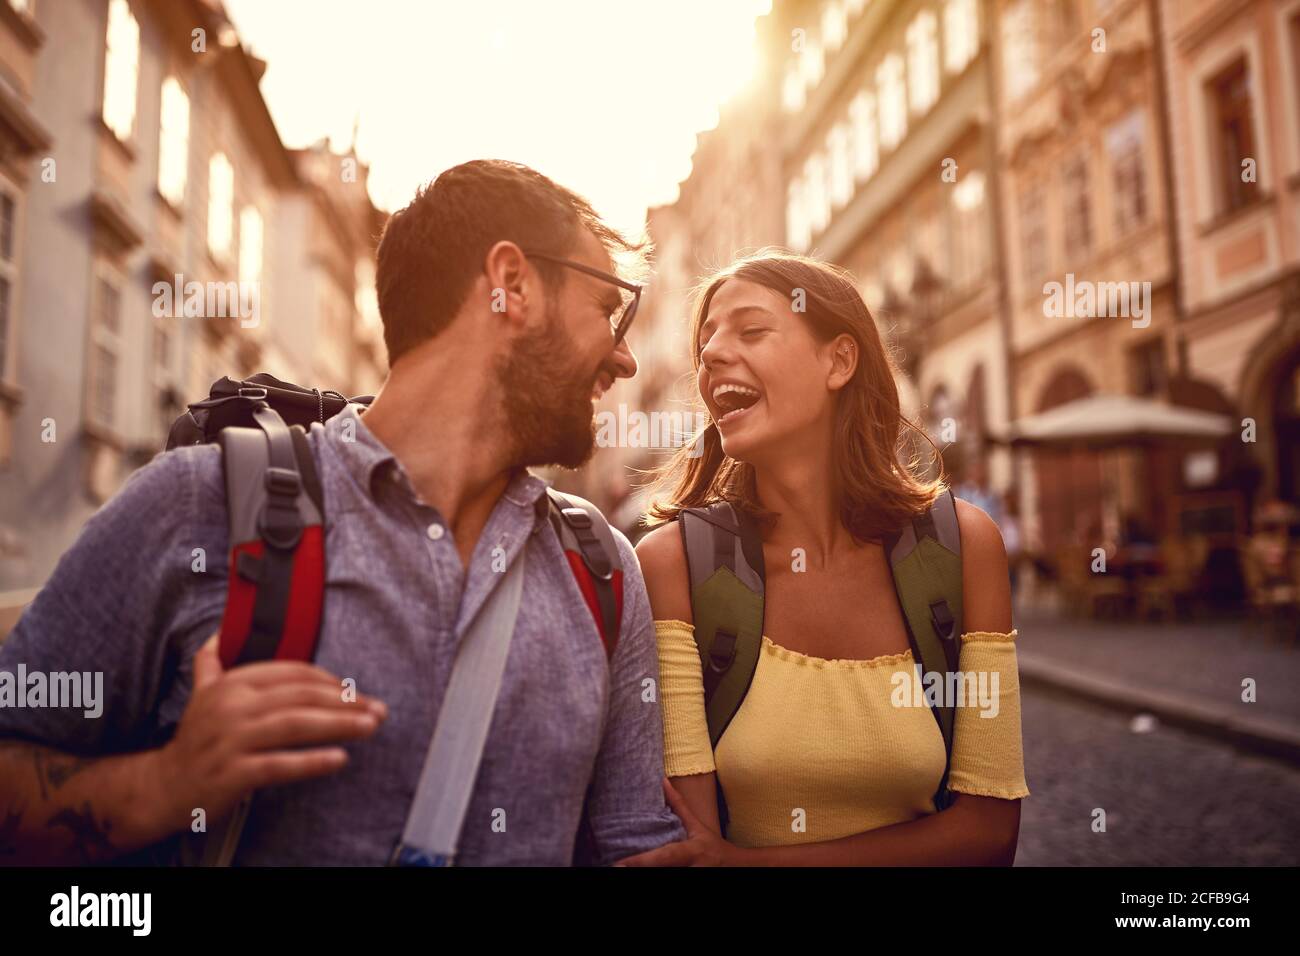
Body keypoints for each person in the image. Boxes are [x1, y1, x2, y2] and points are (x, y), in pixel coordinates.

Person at [0, 160, 685, 865]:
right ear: (510, 286)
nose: (626, 358)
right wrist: (166, 784)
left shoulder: (601, 569)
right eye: (608, 311)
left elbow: (634, 846)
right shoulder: (198, 505)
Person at [624, 251, 1028, 865]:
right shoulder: (673, 565)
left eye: (751, 330)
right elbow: (694, 851)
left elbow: (990, 833)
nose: (709, 355)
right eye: (705, 341)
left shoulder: (964, 548)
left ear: (838, 360)